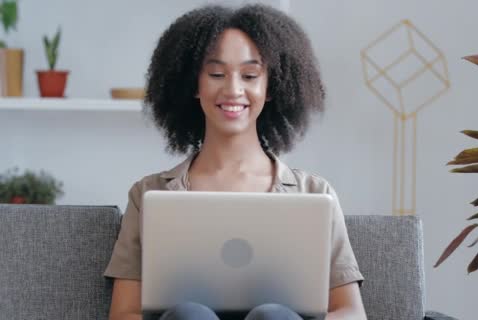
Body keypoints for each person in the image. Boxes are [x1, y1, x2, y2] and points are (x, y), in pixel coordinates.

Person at [104, 4, 366, 320]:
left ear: (272, 87)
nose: (233, 89)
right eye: (216, 74)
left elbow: (351, 312)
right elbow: (123, 314)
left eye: (250, 75)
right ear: (193, 85)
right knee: (189, 315)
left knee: (272, 316)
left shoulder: (314, 193)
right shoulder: (148, 193)